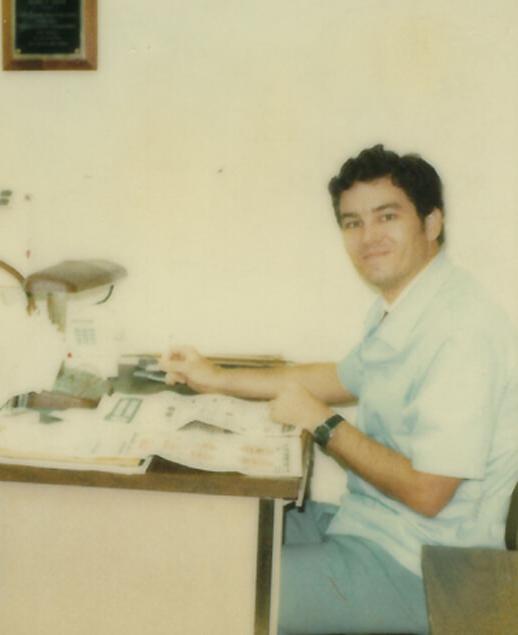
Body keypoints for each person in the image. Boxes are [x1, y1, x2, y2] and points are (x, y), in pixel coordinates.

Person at [160, 144, 518, 634]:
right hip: (368, 526)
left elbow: (429, 491)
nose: (368, 237)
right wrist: (216, 376)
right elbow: (336, 377)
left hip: (424, 568)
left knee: (213, 587)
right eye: (352, 223)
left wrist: (323, 424)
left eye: (386, 216)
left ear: (432, 223)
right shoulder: (409, 305)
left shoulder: (462, 330)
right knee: (206, 535)